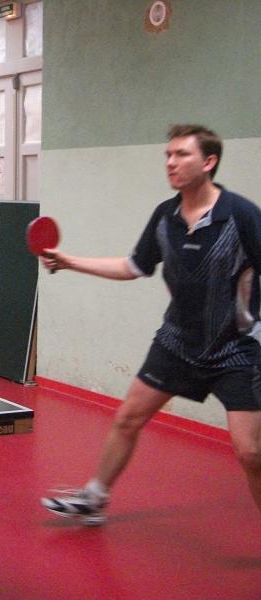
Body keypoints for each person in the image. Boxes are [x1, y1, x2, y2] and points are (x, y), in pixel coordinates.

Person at [40, 124, 261, 525]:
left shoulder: (241, 215)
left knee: (251, 452)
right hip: (176, 342)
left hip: (236, 348)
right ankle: (94, 498)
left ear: (208, 162)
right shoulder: (165, 216)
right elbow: (134, 266)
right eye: (168, 155)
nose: (171, 162)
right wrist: (70, 261)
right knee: (128, 418)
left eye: (182, 154)